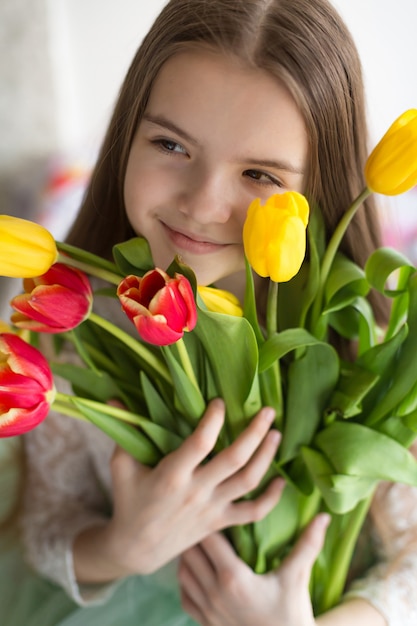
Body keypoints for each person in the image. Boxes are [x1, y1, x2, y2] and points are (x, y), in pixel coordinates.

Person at [5, 0, 416, 624]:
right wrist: (124, 546)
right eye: (171, 143)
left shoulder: (366, 347)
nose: (202, 205)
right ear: (126, 138)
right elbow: (45, 527)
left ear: (318, 189)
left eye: (259, 173)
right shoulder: (76, 328)